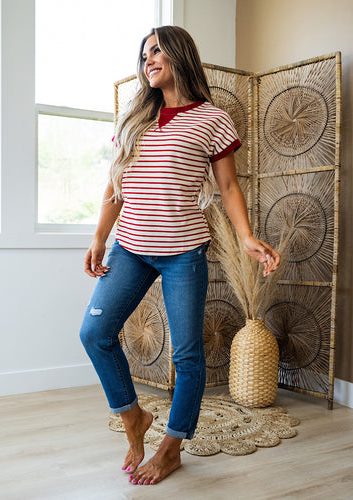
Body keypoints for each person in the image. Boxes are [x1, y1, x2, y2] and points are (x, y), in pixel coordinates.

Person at [79, 25, 280, 486]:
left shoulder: (212, 118)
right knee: (95, 333)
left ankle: (171, 448)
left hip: (182, 251)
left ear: (180, 54)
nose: (149, 59)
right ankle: (133, 417)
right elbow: (115, 185)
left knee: (188, 355)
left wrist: (246, 235)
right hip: (130, 247)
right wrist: (98, 239)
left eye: (157, 51)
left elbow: (228, 185)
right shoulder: (134, 117)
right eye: (144, 53)